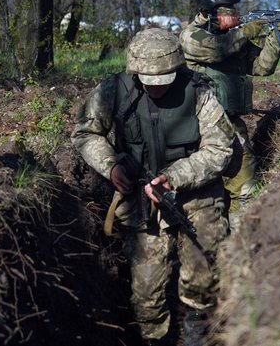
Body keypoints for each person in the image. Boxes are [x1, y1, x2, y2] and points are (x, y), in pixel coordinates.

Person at [71, 28, 234, 346]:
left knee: (203, 274)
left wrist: (176, 176)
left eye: (165, 79)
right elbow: (85, 133)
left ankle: (196, 327)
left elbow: (221, 147)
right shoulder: (112, 91)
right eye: (148, 81)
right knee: (146, 294)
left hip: (195, 194)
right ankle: (153, 339)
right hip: (141, 201)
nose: (156, 89)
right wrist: (112, 166)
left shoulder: (199, 91)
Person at [179, 0, 280, 215]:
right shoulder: (193, 35)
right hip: (195, 128)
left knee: (247, 191)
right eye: (230, 11)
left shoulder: (234, 37)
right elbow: (216, 50)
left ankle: (241, 242)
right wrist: (250, 29)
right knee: (200, 199)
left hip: (231, 126)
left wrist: (275, 38)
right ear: (210, 10)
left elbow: (262, 67)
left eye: (236, 10)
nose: (236, 15)